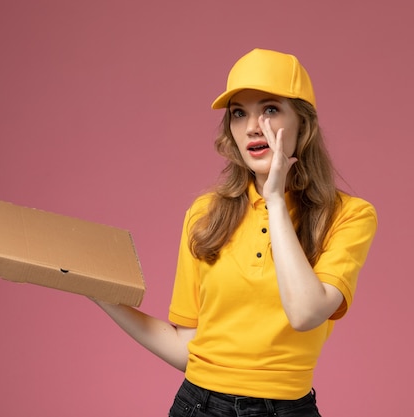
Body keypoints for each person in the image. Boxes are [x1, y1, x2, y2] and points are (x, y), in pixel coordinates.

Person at [92, 48, 377, 417]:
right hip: (199, 405)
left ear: (303, 124)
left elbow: (305, 313)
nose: (253, 127)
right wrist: (99, 295)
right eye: (239, 113)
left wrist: (274, 199)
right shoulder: (205, 214)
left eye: (270, 109)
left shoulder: (349, 216)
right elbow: (188, 348)